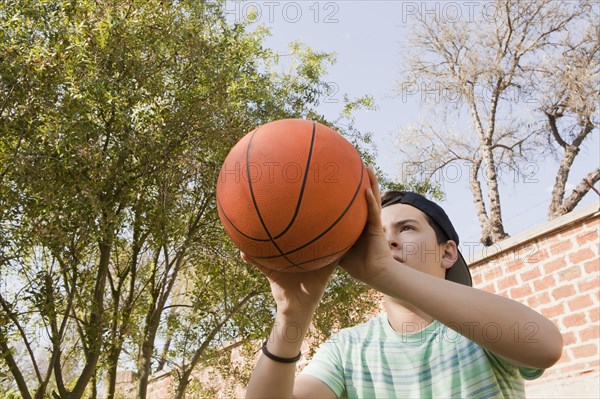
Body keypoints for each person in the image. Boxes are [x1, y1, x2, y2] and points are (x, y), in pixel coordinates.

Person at [243, 165, 563, 398]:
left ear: (448, 253)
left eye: (406, 228)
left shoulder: (480, 328)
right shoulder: (347, 349)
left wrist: (385, 272)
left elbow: (546, 347)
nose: (388, 242)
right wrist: (291, 315)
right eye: (377, 235)